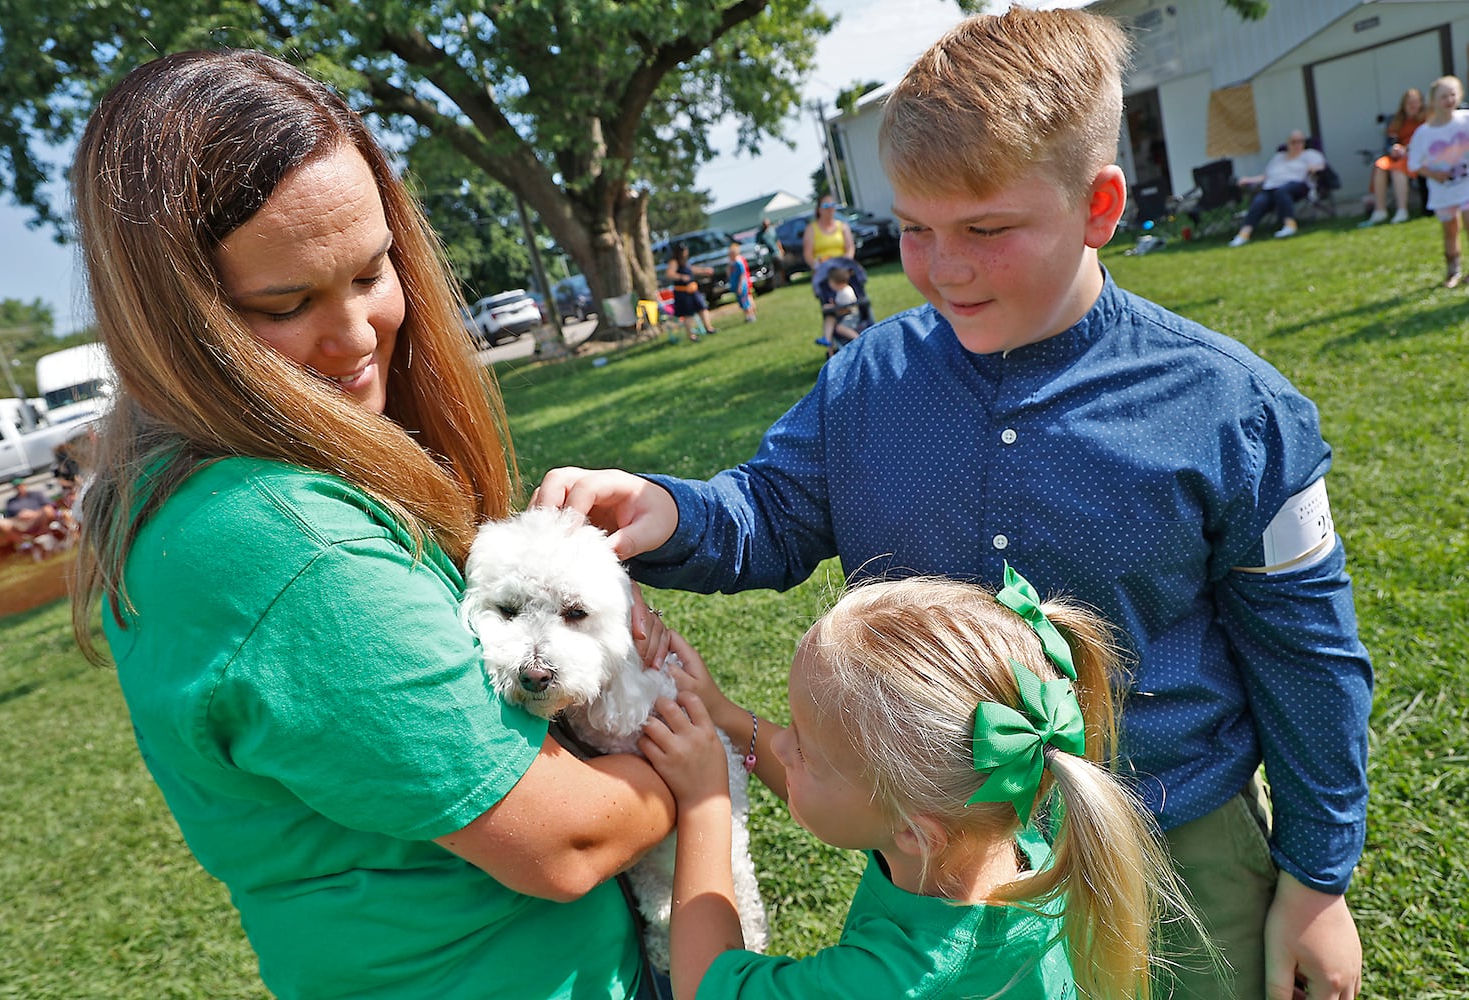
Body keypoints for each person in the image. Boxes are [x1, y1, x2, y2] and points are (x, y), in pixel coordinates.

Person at [534, 9, 1370, 1000]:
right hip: (935, 873)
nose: (944, 268)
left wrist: (1317, 880)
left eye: (986, 230)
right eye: (915, 231)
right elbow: (770, 508)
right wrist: (672, 511)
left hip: (1172, 852)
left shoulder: (1235, 409)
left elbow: (1306, 655)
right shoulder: (869, 379)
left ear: (1100, 204)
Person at [68, 49, 677, 1000]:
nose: (357, 335)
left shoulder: (195, 504)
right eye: (288, 302)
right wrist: (694, 769)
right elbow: (565, 839)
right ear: (175, 323)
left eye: (370, 270)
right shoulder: (280, 544)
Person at [641, 572, 1199, 1000]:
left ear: (916, 833)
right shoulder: (1001, 836)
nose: (784, 748)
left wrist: (704, 799)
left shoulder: (900, 976)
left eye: (805, 751)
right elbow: (853, 803)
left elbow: (707, 986)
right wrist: (730, 718)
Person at [1408, 75, 1469, 287]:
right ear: (1433, 100)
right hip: (1443, 189)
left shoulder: (1466, 119)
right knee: (1451, 229)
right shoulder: (1423, 134)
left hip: (1467, 183)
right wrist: (1433, 174)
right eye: (1444, 96)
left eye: (1453, 94)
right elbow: (1413, 164)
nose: (1449, 100)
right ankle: (1453, 270)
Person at [1229, 130, 1328, 246]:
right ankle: (1243, 235)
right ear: (1288, 144)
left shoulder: (1310, 154)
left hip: (1298, 185)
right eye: (1294, 142)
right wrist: (1249, 179)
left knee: (1282, 191)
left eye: (1300, 141)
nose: (1297, 145)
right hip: (1272, 186)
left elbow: (1321, 166)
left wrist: (1314, 168)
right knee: (1259, 201)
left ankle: (1289, 225)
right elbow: (1265, 176)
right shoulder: (1278, 157)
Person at [1359, 87, 1426, 227]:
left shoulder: (1425, 120)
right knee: (1380, 164)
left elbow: (1426, 141)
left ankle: (1402, 210)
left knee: (1397, 169)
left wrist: (1406, 149)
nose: (1412, 106)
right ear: (1404, 105)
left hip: (1416, 156)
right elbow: (1391, 141)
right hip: (1398, 155)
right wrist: (1393, 148)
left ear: (1421, 103)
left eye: (1415, 102)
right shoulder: (1397, 121)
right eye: (1409, 103)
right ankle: (1380, 210)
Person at [666, 243, 718, 341]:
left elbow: (690, 269)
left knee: (702, 308)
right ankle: (691, 336)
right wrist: (681, 277)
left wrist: (704, 271)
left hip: (692, 290)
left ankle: (709, 328)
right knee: (688, 314)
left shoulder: (685, 261)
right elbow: (670, 274)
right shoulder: (674, 262)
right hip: (682, 292)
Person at [801, 192, 854, 271]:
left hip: (842, 269)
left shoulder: (843, 226)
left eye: (832, 205)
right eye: (826, 206)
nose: (830, 208)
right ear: (819, 210)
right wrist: (817, 266)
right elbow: (808, 253)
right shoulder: (811, 229)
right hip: (822, 269)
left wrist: (846, 262)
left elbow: (850, 247)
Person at [819, 265, 859, 346]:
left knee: (839, 328)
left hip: (851, 317)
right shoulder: (841, 291)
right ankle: (827, 339)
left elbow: (845, 309)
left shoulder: (845, 293)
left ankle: (858, 338)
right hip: (844, 315)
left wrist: (832, 308)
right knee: (829, 318)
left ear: (835, 283)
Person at [725, 242, 758, 323]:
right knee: (743, 302)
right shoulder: (732, 263)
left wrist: (740, 286)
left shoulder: (739, 262)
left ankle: (751, 315)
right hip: (737, 285)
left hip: (742, 285)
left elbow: (742, 275)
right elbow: (728, 273)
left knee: (745, 301)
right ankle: (748, 316)